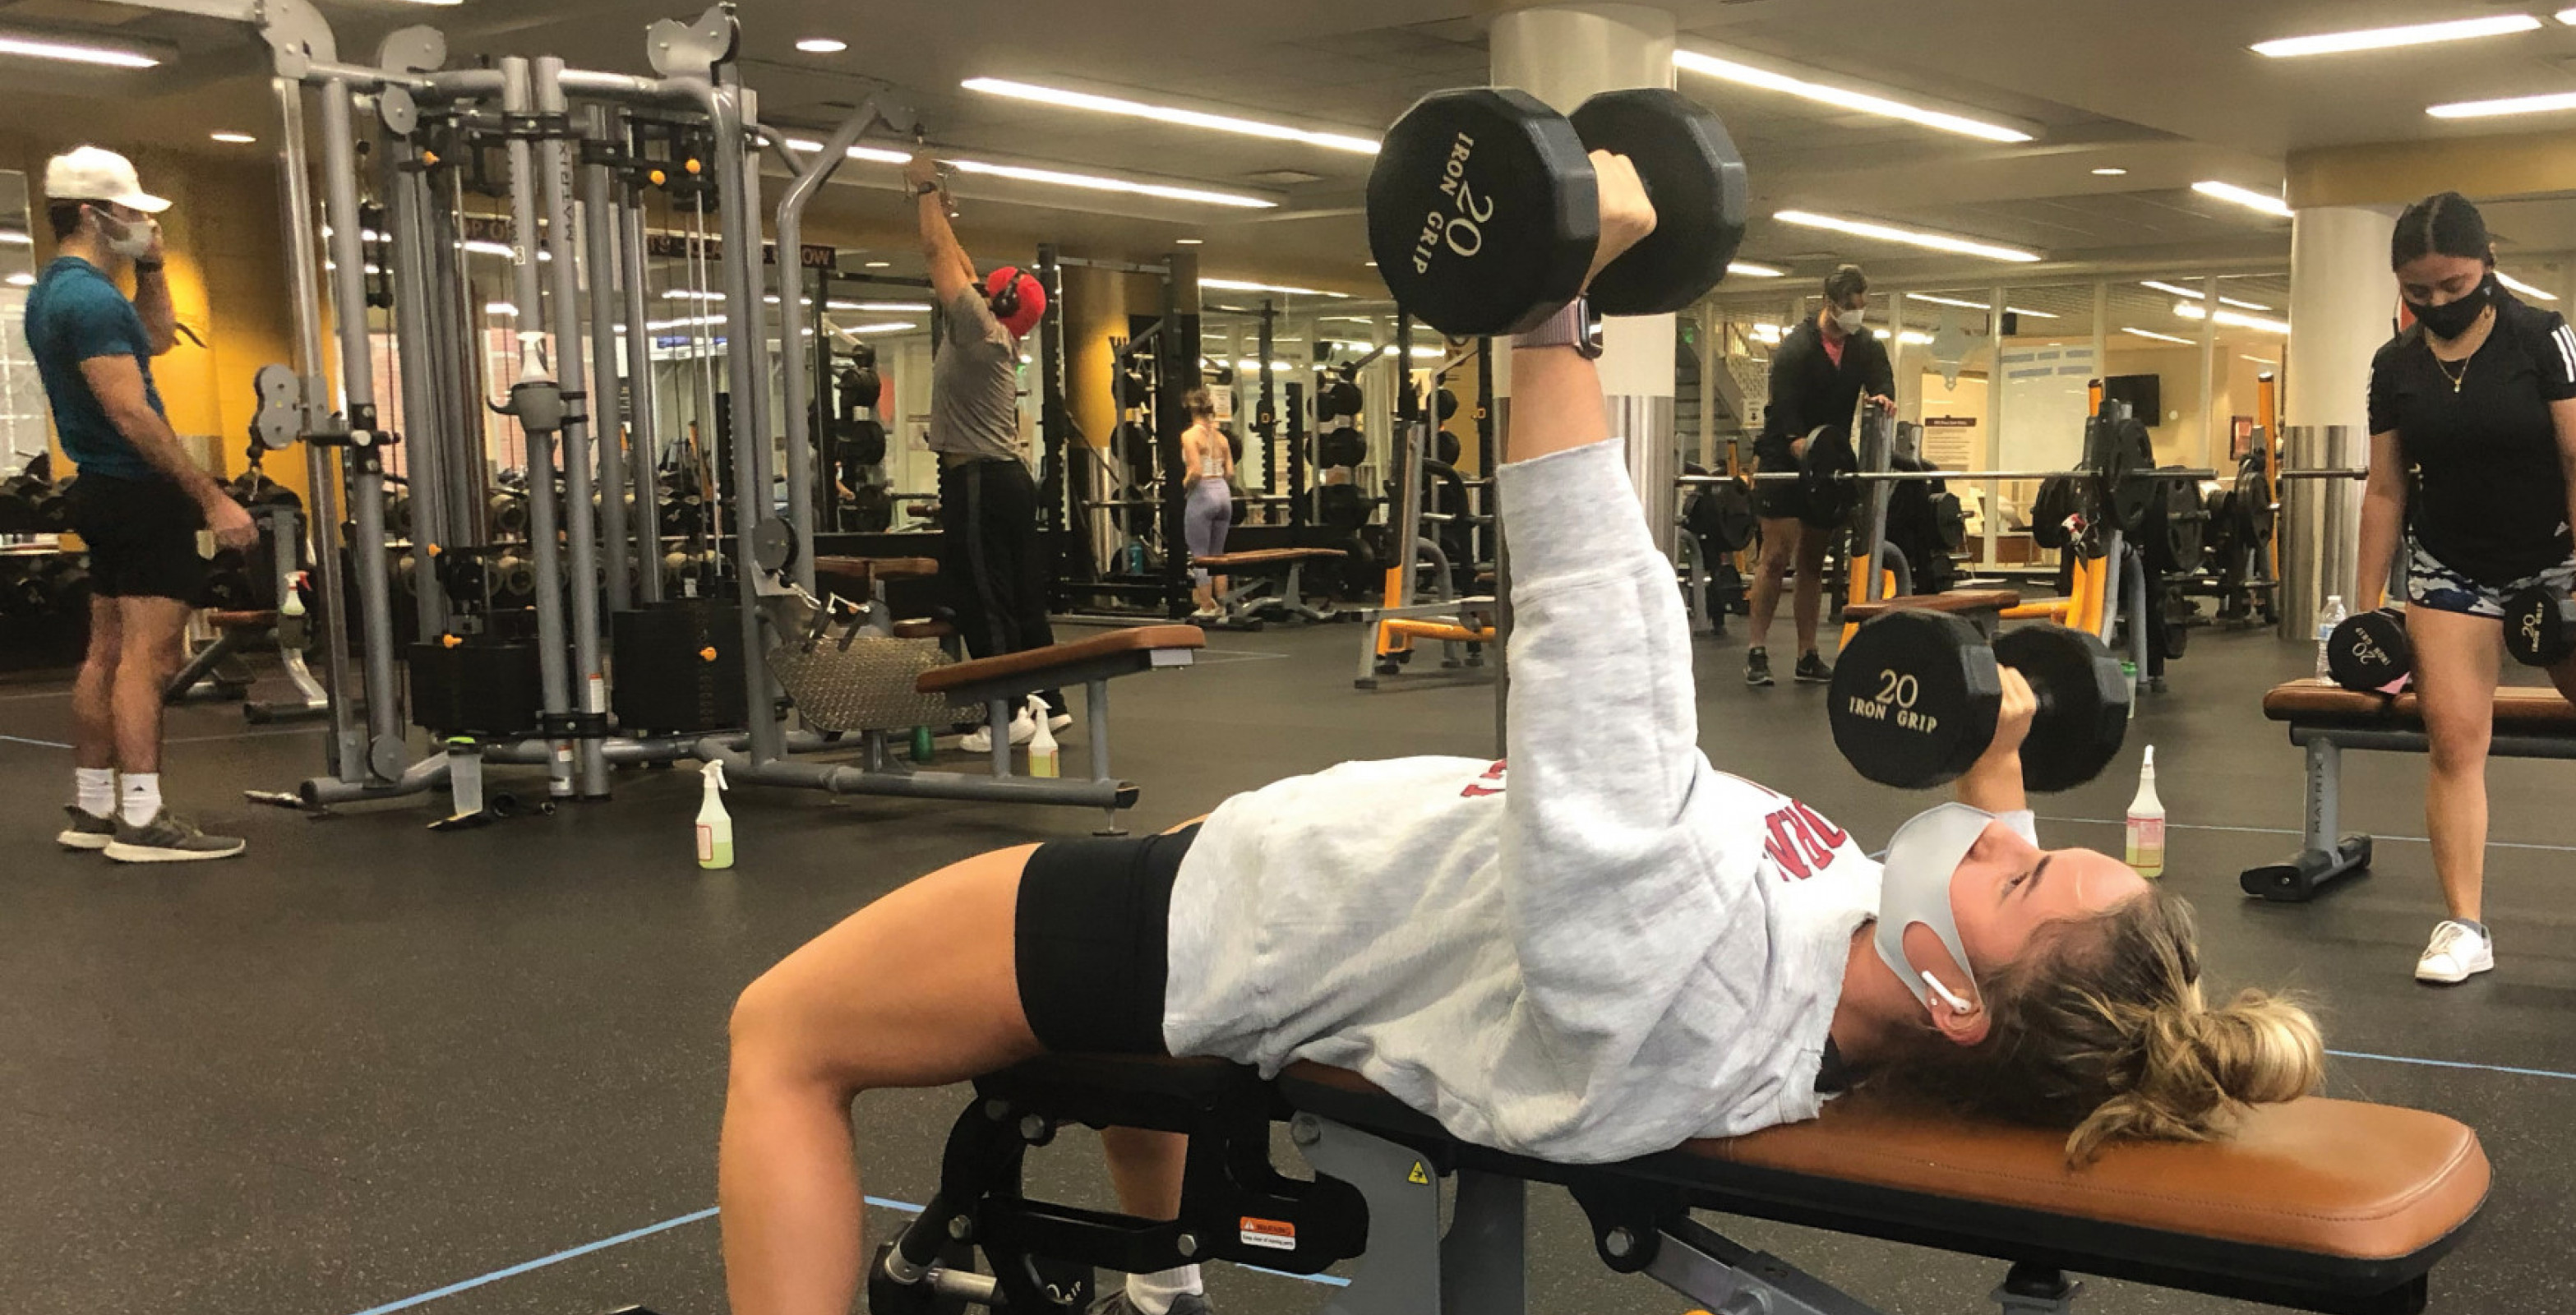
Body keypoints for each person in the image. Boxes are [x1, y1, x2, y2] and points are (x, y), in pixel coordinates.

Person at [718, 156, 2320, 1315]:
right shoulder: (1876, 984)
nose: (2005, 850)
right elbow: (2017, 900)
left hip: (1234, 918)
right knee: (1154, 1011)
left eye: (2027, 883)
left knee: (784, 1035)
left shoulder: (1666, 940)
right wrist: (2001, 756)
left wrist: (1561, 286)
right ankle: (1165, 1293)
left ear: (1964, 995)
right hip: (1309, 897)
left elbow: (1590, 586)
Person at [2357, 191, 2576, 986]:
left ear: (2486, 265)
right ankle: (2464, 926)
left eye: (2454, 286)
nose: (2438, 304)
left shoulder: (2543, 338)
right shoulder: (2395, 367)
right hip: (2449, 565)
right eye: (2419, 292)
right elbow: (2385, 490)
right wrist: (2362, 608)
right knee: (2454, 740)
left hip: (2550, 557)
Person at [33, 145, 251, 863]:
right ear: (94, 215)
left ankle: (95, 807)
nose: (140, 224)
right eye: (130, 213)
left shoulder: (59, 291)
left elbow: (154, 338)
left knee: (106, 651)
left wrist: (153, 266)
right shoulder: (88, 299)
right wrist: (209, 495)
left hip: (97, 487)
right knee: (147, 659)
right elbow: (131, 413)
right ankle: (143, 818)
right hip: (137, 489)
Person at [903, 152, 1067, 752]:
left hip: (977, 481)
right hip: (1006, 482)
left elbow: (937, 259)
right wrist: (942, 203)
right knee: (1021, 595)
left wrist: (922, 186)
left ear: (993, 304)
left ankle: (1007, 713)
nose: (975, 287)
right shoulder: (995, 332)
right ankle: (1047, 701)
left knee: (984, 600)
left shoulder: (977, 331)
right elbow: (958, 264)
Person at [1745, 264, 1893, 688]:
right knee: (1775, 556)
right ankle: (1757, 650)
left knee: (1813, 560)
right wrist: (1807, 457)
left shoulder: (1864, 345)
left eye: (1862, 307)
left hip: (1827, 457)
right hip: (1784, 456)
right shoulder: (1796, 348)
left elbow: (1882, 381)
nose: (1857, 316)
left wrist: (1883, 396)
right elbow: (1788, 420)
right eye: (1851, 307)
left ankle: (1807, 655)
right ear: (1829, 304)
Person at [1177, 387, 1236, 622]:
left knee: (1200, 556)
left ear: (1190, 411)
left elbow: (1195, 471)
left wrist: (1183, 487)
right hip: (1223, 493)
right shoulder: (1222, 438)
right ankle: (1221, 604)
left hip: (1202, 494)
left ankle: (1205, 606)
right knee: (1218, 555)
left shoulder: (1190, 436)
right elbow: (1230, 473)